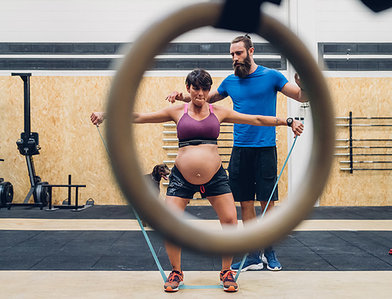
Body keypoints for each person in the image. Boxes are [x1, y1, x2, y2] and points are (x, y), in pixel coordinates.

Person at [91, 69, 303, 292]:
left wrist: (287, 121)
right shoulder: (177, 111)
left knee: (230, 221)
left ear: (209, 90)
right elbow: (140, 117)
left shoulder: (218, 111)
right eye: (196, 88)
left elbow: (256, 118)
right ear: (188, 88)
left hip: (215, 177)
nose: (200, 93)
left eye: (204, 88)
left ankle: (226, 271)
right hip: (182, 177)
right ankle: (176, 272)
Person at [166, 35, 308, 272]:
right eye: (231, 55)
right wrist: (181, 95)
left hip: (265, 148)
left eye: (238, 53)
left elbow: (302, 96)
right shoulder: (230, 81)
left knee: (267, 203)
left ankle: (269, 251)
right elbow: (203, 99)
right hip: (240, 149)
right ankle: (253, 254)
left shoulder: (272, 76)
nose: (234, 58)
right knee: (245, 203)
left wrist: (306, 85)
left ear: (250, 51)